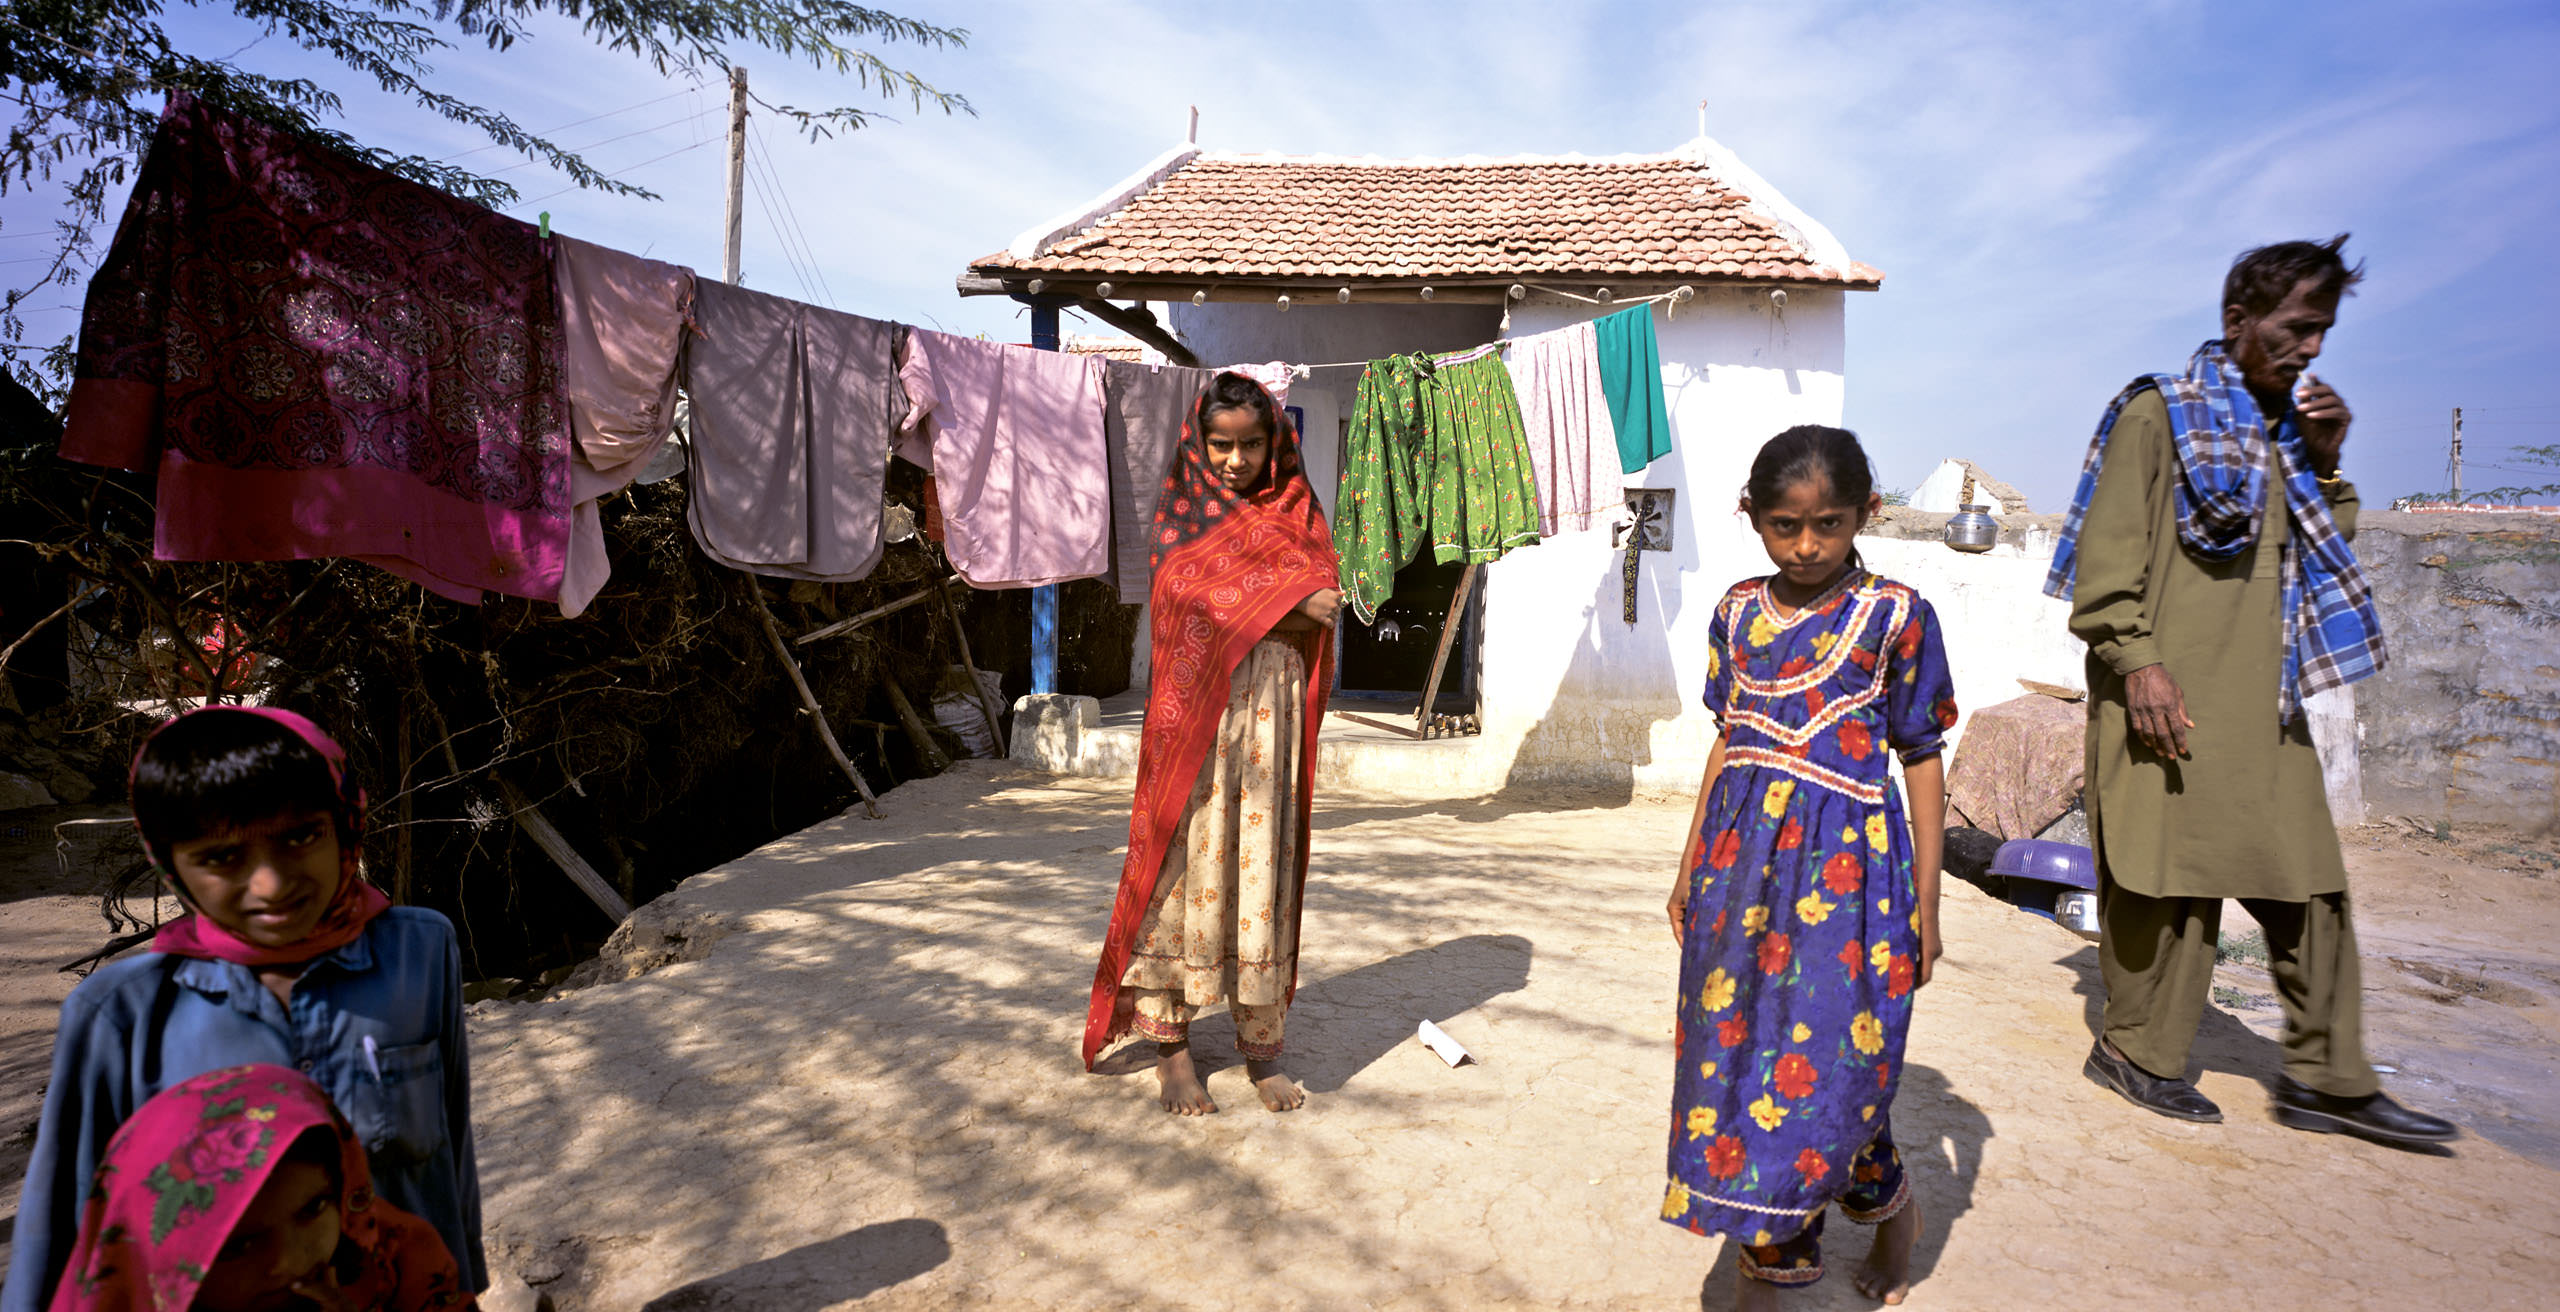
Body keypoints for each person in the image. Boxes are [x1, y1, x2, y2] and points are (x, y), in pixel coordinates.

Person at [2049, 235, 2456, 1149]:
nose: (2312, 349)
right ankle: (2137, 1052)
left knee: (2312, 886)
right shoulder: (2161, 415)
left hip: (2264, 705)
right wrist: (2140, 662)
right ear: (2239, 322)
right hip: (2166, 692)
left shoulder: (2282, 434)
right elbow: (2105, 567)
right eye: (2298, 328)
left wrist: (2326, 456)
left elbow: (2317, 548)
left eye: (2322, 333)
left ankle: (2330, 1079)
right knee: (2169, 888)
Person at [4, 708, 483, 1312]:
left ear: (346, 824)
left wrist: (462, 1285)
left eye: (302, 835)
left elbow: (447, 1150)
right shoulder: (120, 1012)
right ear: (168, 862)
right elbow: (66, 1222)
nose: (271, 885)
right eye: (222, 857)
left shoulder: (420, 950)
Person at [1660, 426, 1956, 1307]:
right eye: (1785, 526)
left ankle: (1879, 1219)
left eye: (1828, 524)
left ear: (1866, 513)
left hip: (1851, 889)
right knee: (1740, 1066)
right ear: (1751, 516)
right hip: (1738, 878)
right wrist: (1686, 870)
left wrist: (1928, 911)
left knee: (1832, 1070)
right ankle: (1774, 1263)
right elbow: (1728, 745)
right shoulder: (1736, 614)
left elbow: (1923, 755)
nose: (1807, 546)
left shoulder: (1896, 617)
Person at [1080, 372, 1342, 1114]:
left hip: (1272, 721)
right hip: (1201, 724)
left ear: (1275, 444)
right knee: (1184, 869)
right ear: (1200, 443)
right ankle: (1172, 1052)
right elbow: (1183, 594)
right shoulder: (1184, 515)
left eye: (1251, 444)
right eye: (1221, 444)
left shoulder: (1297, 510)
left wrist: (1279, 606)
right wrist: (1285, 602)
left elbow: (1324, 604)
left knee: (1262, 871)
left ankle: (1262, 1052)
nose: (1234, 460)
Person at [45, 1063, 474, 1312]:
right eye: (238, 1243)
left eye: (311, 1210)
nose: (286, 1260)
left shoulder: (397, 1260)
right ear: (154, 1256)